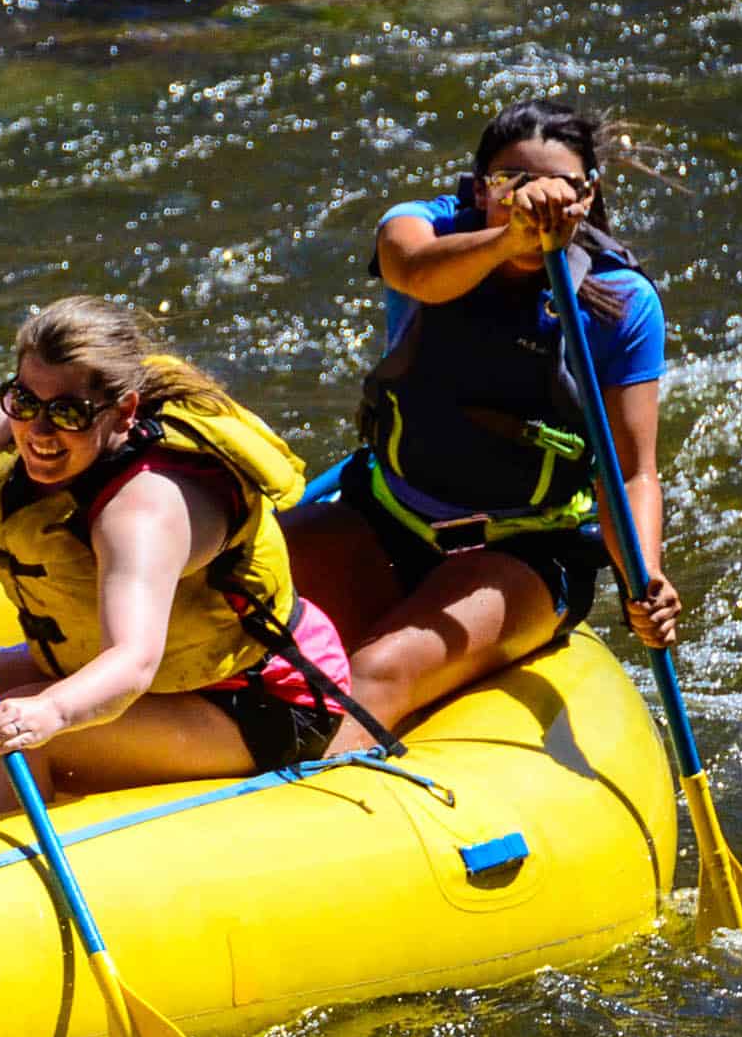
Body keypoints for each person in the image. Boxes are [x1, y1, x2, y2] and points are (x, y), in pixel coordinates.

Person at [0, 297, 357, 819]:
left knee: (14, 743)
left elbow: (133, 660)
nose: (39, 431)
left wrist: (48, 711)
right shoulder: (26, 420)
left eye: (68, 413)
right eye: (25, 402)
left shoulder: (145, 511)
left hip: (258, 701)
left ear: (123, 410)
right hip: (124, 676)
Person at [282, 99, 680, 753]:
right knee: (227, 591)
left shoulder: (621, 303)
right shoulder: (419, 230)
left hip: (526, 550)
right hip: (386, 515)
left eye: (557, 189)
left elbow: (630, 473)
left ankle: (293, 827)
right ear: (478, 188)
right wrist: (511, 240)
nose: (531, 202)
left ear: (589, 196)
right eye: (510, 184)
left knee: (379, 668)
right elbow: (413, 272)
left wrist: (646, 578)